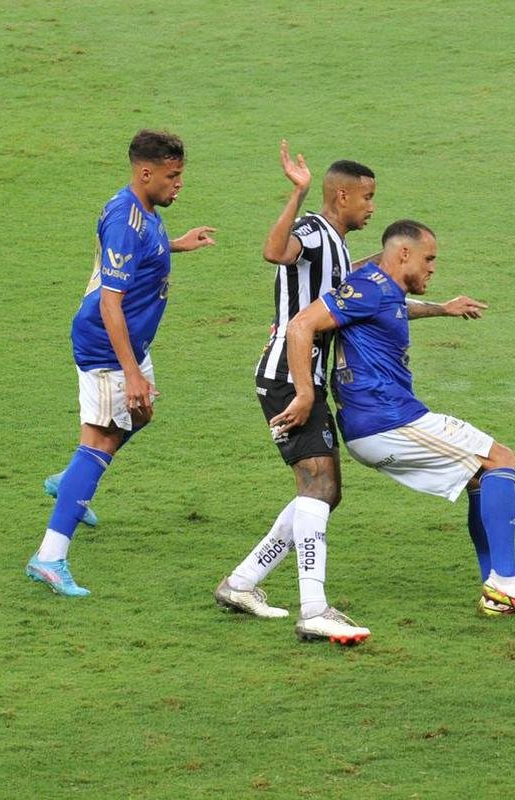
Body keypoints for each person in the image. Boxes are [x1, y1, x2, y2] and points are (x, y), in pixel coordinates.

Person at [214, 143, 488, 644]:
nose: (372, 207)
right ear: (342, 196)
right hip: (290, 378)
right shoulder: (315, 231)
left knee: (323, 492)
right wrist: (298, 193)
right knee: (319, 488)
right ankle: (313, 610)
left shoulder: (339, 248)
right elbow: (275, 252)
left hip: (304, 378)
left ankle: (242, 583)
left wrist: (441, 308)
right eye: (367, 197)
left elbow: (380, 303)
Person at [270, 219, 515, 636]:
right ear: (404, 254)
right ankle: (507, 582)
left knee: (480, 475)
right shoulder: (370, 288)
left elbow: (393, 308)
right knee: (500, 460)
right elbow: (301, 325)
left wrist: (443, 308)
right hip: (387, 420)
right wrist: (303, 394)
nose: (433, 267)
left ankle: (496, 591)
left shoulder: (381, 289)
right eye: (429, 258)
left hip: (380, 421)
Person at [26, 129, 216, 596]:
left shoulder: (142, 210)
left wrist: (176, 245)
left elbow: (138, 254)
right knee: (104, 437)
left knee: (138, 417)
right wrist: (131, 373)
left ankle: (72, 480)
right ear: (146, 172)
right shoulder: (124, 221)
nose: (179, 184)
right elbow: (112, 303)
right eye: (172, 176)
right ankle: (49, 557)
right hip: (108, 347)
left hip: (129, 344)